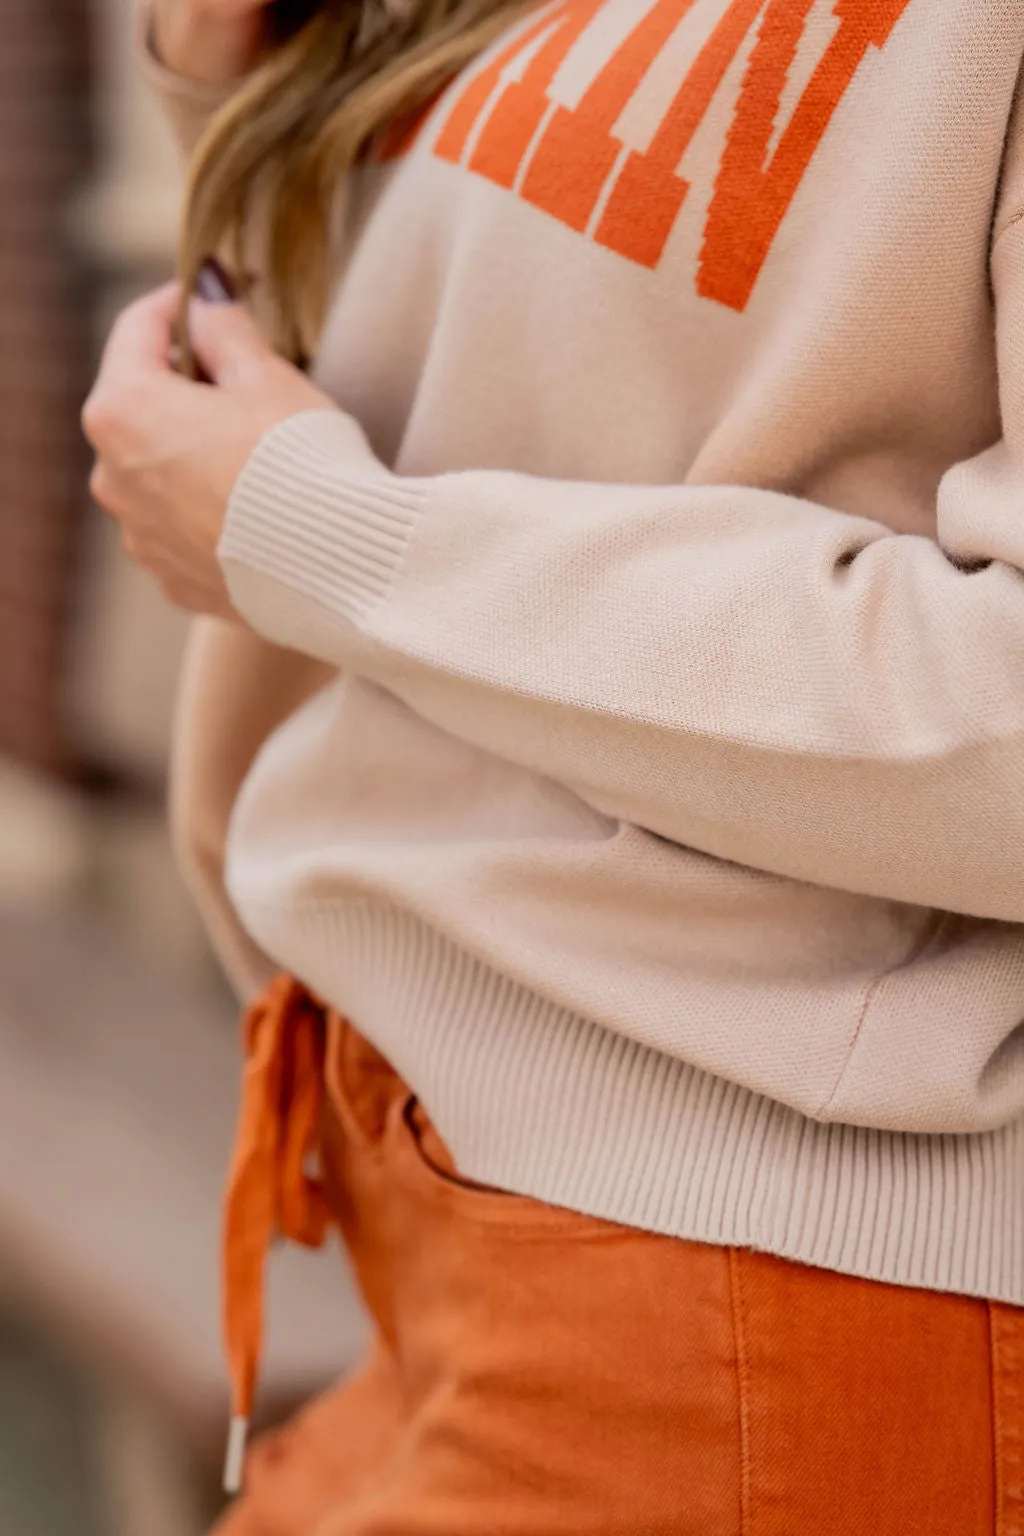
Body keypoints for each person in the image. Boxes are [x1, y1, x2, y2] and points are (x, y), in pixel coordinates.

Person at [82, 0, 1024, 1529]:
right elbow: (518, 376)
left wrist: (325, 538)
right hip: (419, 1200)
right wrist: (234, 91)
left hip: (760, 1301)